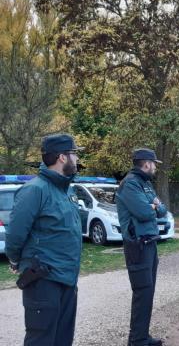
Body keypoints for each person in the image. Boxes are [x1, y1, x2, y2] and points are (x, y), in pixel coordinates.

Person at [5, 134, 83, 345]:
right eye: (75, 154)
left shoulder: (66, 190)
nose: (77, 159)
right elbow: (15, 234)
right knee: (41, 339)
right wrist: (15, 259)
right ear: (62, 158)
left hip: (67, 278)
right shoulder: (34, 190)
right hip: (43, 280)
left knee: (62, 338)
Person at [116, 148, 167, 346]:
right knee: (142, 292)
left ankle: (142, 337)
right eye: (154, 164)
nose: (155, 167)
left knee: (148, 292)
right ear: (146, 163)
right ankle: (136, 340)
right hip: (137, 246)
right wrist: (152, 205)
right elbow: (144, 212)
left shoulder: (144, 184)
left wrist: (154, 206)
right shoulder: (130, 184)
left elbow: (161, 210)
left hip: (149, 243)